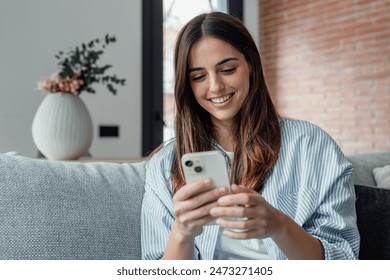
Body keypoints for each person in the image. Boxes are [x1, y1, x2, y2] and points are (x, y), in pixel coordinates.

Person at [141, 12, 360, 260]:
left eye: (227, 69)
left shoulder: (312, 146)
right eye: (199, 76)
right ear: (187, 85)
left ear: (251, 66)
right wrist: (182, 232)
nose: (215, 87)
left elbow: (343, 260)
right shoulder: (164, 166)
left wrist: (279, 225)